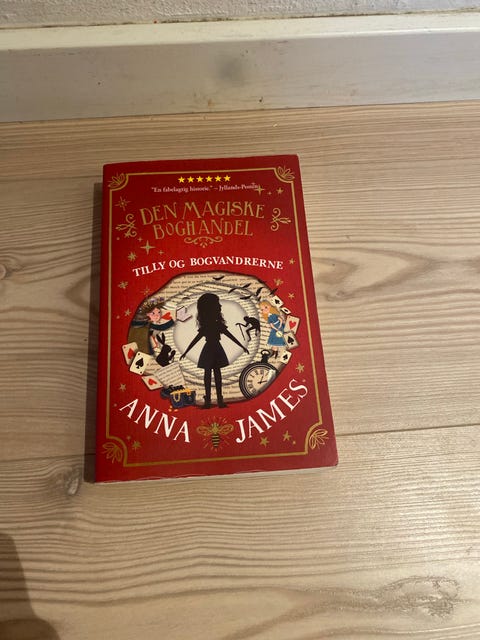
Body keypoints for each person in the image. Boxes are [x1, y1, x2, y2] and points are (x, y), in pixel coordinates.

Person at [180, 293, 248, 408]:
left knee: (213, 375)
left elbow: (229, 336)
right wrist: (186, 352)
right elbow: (196, 339)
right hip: (213, 350)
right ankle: (213, 401)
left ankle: (215, 400)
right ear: (211, 307)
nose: (220, 306)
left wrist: (242, 346)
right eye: (218, 304)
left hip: (211, 350)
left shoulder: (213, 324)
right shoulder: (211, 325)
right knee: (213, 375)